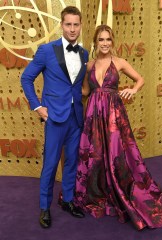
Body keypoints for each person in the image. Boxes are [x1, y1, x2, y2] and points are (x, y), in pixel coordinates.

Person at [73, 24, 162, 230]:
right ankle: (99, 190)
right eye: (101, 40)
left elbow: (140, 79)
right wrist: (64, 86)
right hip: (93, 113)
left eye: (108, 39)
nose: (104, 43)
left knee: (117, 153)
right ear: (95, 42)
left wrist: (132, 89)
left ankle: (122, 189)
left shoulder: (119, 62)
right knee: (96, 154)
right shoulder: (90, 64)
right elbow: (85, 91)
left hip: (113, 113)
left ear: (112, 42)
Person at [21, 6, 88, 228]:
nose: (72, 29)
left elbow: (77, 86)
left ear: (80, 26)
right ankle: (44, 207)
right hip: (54, 117)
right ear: (62, 25)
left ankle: (67, 201)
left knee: (71, 163)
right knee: (50, 164)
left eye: (75, 24)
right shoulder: (46, 50)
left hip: (75, 118)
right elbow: (26, 78)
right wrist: (38, 107)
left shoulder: (84, 53)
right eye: (68, 24)